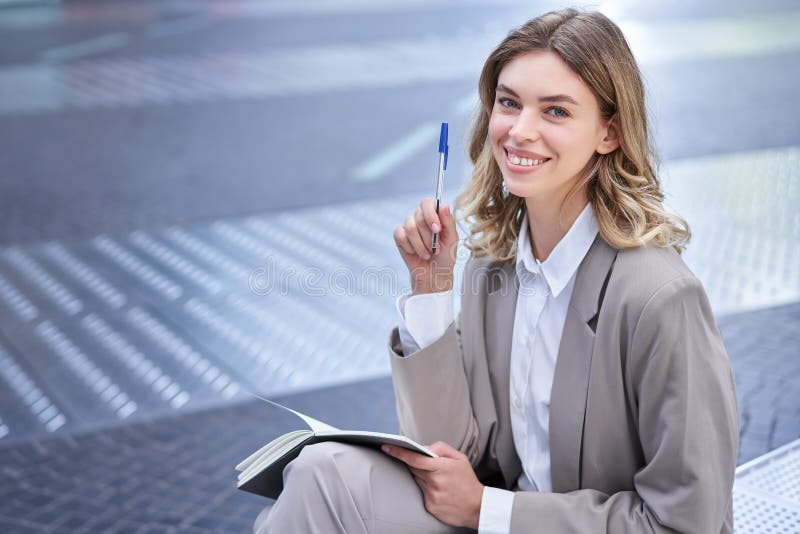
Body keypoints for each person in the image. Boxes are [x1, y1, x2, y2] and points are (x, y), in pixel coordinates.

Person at [255, 7, 739, 533]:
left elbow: (686, 523)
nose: (519, 131)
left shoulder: (658, 298)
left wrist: (488, 510)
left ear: (610, 133)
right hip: (496, 518)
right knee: (317, 472)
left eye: (555, 111)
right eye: (509, 103)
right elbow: (455, 455)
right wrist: (431, 288)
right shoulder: (497, 267)